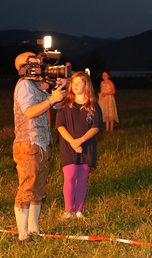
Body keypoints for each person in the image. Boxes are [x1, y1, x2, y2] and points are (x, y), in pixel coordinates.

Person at [12, 53, 66, 239]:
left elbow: (57, 106)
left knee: (38, 191)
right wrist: (51, 99)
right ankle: (22, 235)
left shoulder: (36, 85)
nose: (39, 63)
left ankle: (33, 230)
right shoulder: (24, 84)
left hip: (41, 142)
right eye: (33, 61)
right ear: (23, 66)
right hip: (28, 142)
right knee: (26, 190)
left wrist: (59, 90)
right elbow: (29, 112)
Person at [56, 72, 103, 218]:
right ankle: (68, 211)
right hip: (68, 146)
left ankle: (79, 211)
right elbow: (60, 126)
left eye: (79, 83)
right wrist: (73, 142)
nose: (75, 85)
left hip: (86, 147)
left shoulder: (93, 105)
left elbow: (96, 127)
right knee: (70, 177)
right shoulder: (65, 104)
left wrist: (80, 141)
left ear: (86, 85)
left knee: (82, 178)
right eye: (73, 83)